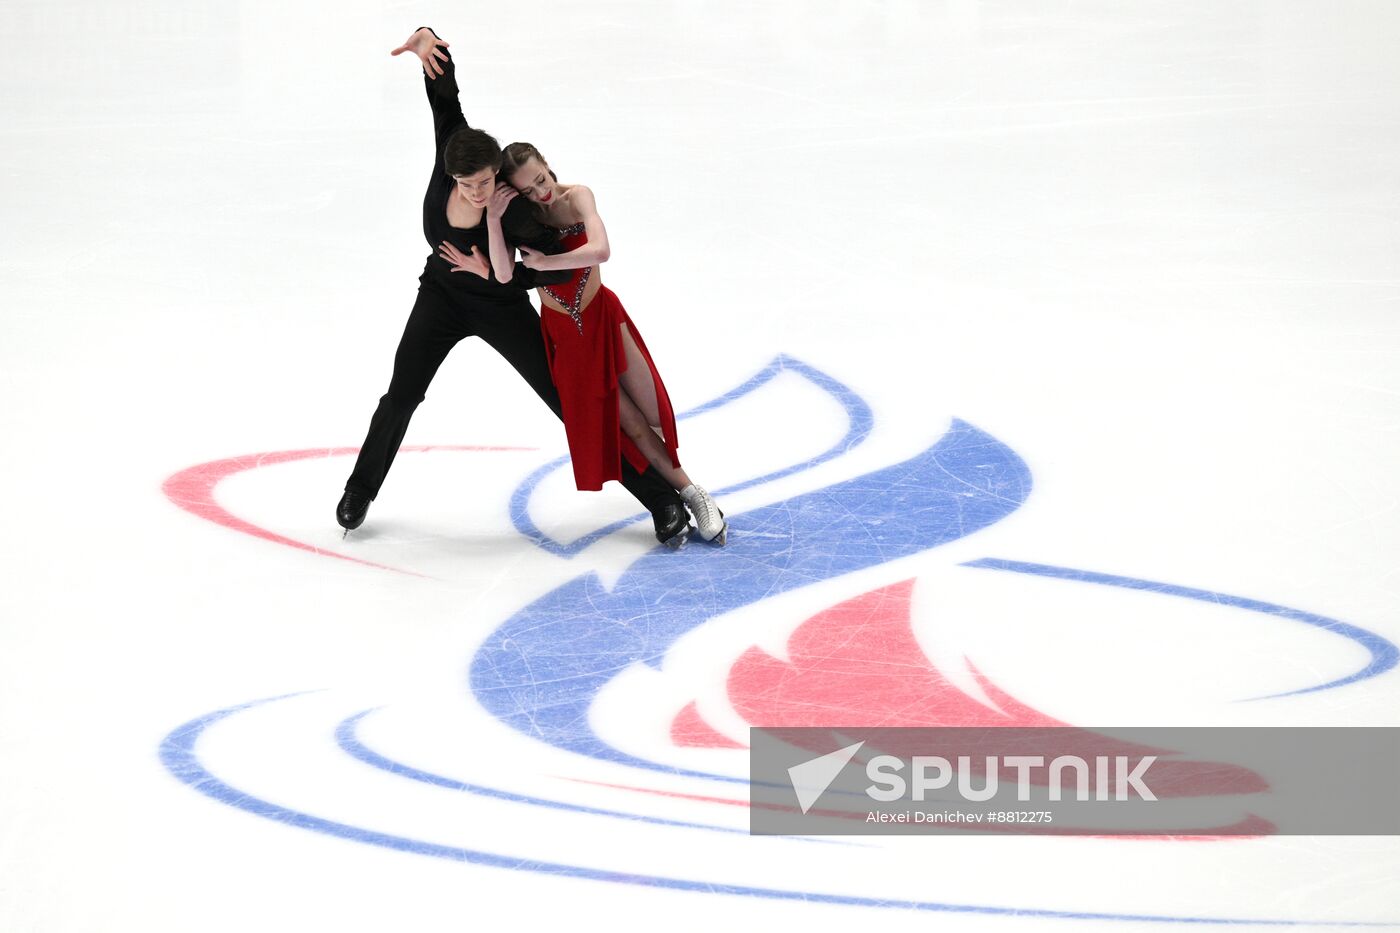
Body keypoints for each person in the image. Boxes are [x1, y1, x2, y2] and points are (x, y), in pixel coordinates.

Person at [335, 27, 691, 547]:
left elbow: (557, 261)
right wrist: (428, 44)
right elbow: (444, 98)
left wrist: (503, 273)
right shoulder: (453, 153)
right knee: (401, 395)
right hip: (441, 298)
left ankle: (659, 498)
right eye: (468, 185)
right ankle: (359, 490)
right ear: (452, 173)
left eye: (486, 181)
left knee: (569, 400)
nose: (479, 192)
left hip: (502, 306)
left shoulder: (516, 209)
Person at [462, 142, 727, 544]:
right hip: (568, 338)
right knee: (632, 427)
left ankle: (687, 492)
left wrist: (545, 264)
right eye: (528, 190)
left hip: (604, 319)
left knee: (652, 410)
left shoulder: (577, 196)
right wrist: (496, 218)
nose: (540, 193)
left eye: (541, 179)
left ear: (548, 167)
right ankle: (690, 494)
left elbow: (600, 250)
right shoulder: (522, 217)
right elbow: (502, 274)